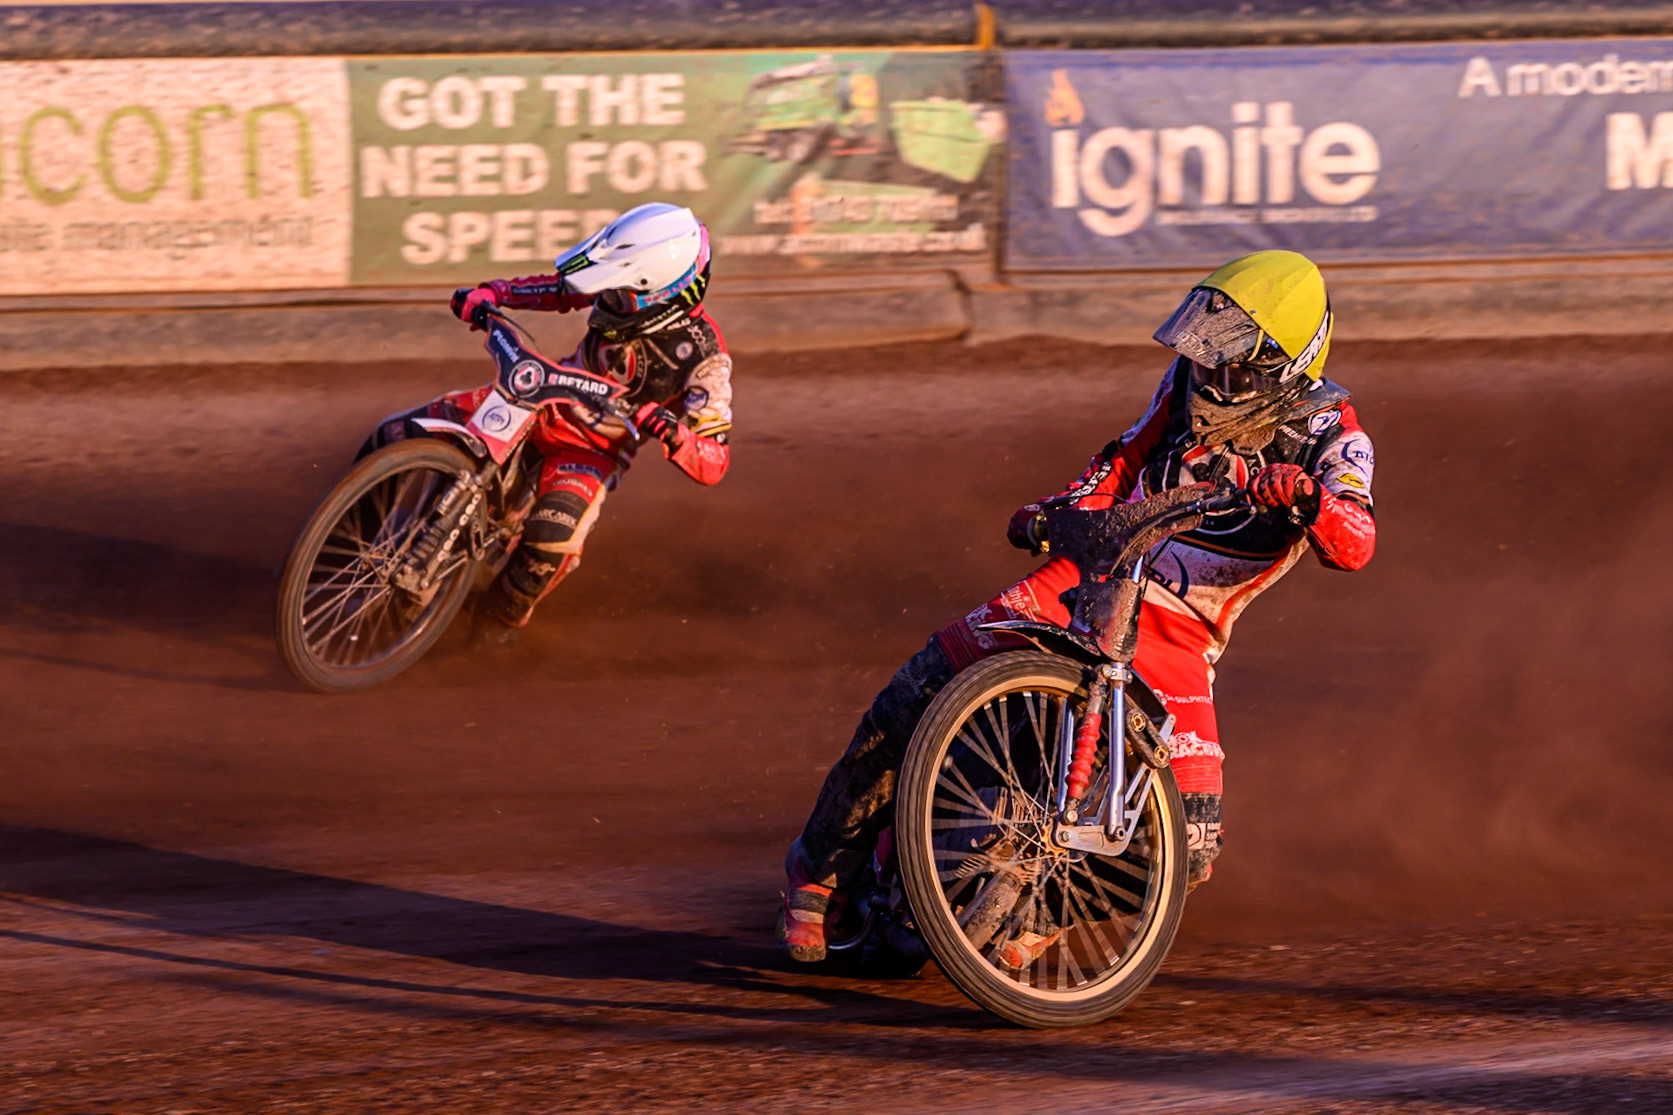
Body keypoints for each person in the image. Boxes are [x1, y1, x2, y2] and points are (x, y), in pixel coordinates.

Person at [779, 249, 1376, 962]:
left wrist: (1308, 497)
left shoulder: (1334, 438)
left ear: (1280, 366)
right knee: (918, 687)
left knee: (1188, 849)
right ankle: (818, 871)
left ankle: (1041, 907)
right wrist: (1059, 509)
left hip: (1181, 638)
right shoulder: (1186, 380)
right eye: (1206, 354)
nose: (1209, 376)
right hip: (1093, 574)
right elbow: (1122, 459)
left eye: (1230, 363)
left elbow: (1356, 541)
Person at [366, 202, 733, 629]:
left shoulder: (707, 362)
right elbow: (563, 290)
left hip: (589, 450)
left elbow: (715, 461)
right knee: (395, 435)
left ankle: (495, 628)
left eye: (619, 294)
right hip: (533, 399)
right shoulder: (625, 285)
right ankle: (338, 548)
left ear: (659, 295)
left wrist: (674, 434)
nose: (606, 298)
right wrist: (495, 294)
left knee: (549, 544)